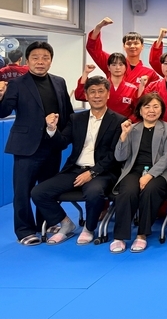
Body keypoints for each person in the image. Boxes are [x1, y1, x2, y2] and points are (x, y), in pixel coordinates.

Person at [31, 76, 125, 245]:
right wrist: (52, 129)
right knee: (38, 192)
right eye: (92, 92)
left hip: (102, 172)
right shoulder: (76, 119)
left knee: (94, 192)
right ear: (86, 96)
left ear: (108, 94)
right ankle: (65, 223)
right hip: (75, 169)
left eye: (101, 91)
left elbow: (114, 155)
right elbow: (62, 142)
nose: (97, 96)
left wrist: (92, 172)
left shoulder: (119, 121)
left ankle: (89, 228)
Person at [0, 41, 73, 246]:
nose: (40, 62)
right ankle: (24, 230)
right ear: (27, 60)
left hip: (52, 145)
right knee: (23, 191)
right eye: (35, 58)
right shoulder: (17, 84)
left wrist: (66, 136)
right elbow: (3, 112)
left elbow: (68, 112)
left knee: (47, 189)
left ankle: (47, 223)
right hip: (26, 147)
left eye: (45, 58)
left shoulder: (59, 82)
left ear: (51, 61)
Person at [110, 93, 167, 253]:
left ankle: (142, 234)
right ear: (140, 110)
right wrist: (123, 135)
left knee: (150, 190)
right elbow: (120, 157)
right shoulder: (132, 129)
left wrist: (149, 175)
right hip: (134, 171)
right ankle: (119, 237)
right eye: (147, 107)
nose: (151, 110)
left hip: (161, 173)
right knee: (127, 191)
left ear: (161, 110)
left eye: (155, 106)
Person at [86, 17, 159, 85]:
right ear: (124, 46)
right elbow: (93, 49)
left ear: (142, 46)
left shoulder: (150, 74)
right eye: (129, 44)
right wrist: (98, 27)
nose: (132, 46)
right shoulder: (112, 62)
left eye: (136, 43)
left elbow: (156, 92)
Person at [74, 55, 139, 120]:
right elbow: (79, 96)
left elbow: (138, 110)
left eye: (121, 64)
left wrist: (129, 121)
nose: (117, 67)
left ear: (125, 67)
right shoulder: (101, 86)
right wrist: (85, 73)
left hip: (124, 124)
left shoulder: (133, 89)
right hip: (101, 122)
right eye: (114, 65)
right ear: (108, 67)